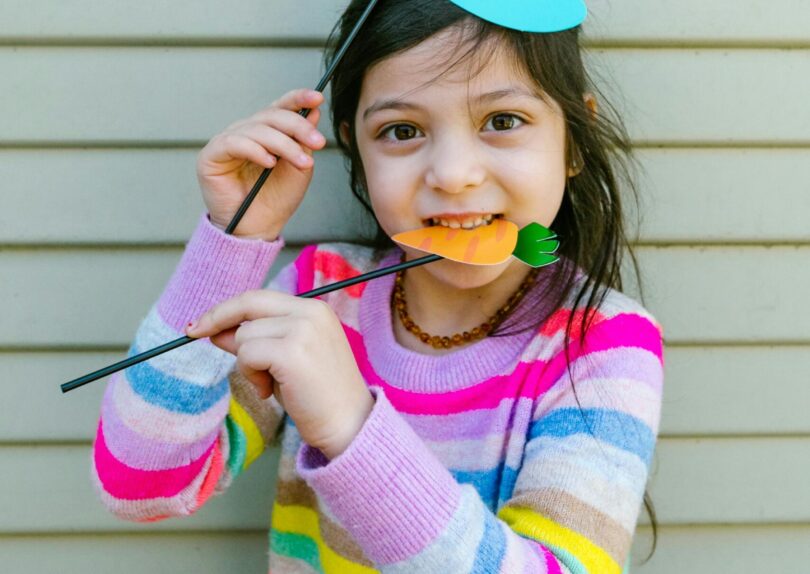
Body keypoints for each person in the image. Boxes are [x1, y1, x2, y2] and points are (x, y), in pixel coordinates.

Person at [91, 0, 664, 572]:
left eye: (503, 121)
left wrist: (351, 426)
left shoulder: (602, 345)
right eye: (402, 130)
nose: (454, 174)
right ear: (356, 152)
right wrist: (236, 237)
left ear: (575, 139)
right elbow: (138, 485)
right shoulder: (321, 295)